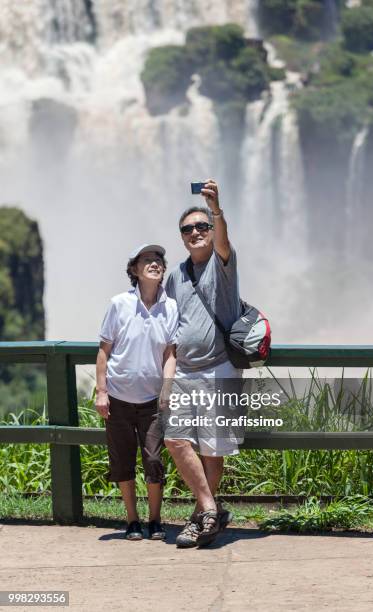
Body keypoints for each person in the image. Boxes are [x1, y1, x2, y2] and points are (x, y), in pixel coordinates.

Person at [164, 179, 243, 548]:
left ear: (211, 231)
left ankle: (201, 519)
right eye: (188, 229)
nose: (195, 232)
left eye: (202, 227)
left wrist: (216, 208)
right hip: (183, 371)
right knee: (175, 437)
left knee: (212, 447)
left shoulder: (223, 264)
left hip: (218, 368)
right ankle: (210, 507)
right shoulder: (175, 275)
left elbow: (224, 240)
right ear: (181, 237)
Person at [95, 244, 178, 541]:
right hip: (117, 398)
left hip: (152, 401)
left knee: (154, 460)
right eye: (147, 260)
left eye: (158, 260)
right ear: (134, 270)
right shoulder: (119, 304)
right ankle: (132, 520)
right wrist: (101, 392)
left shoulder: (171, 307)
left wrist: (167, 390)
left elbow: (170, 354)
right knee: (122, 461)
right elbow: (104, 351)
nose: (154, 263)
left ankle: (155, 520)